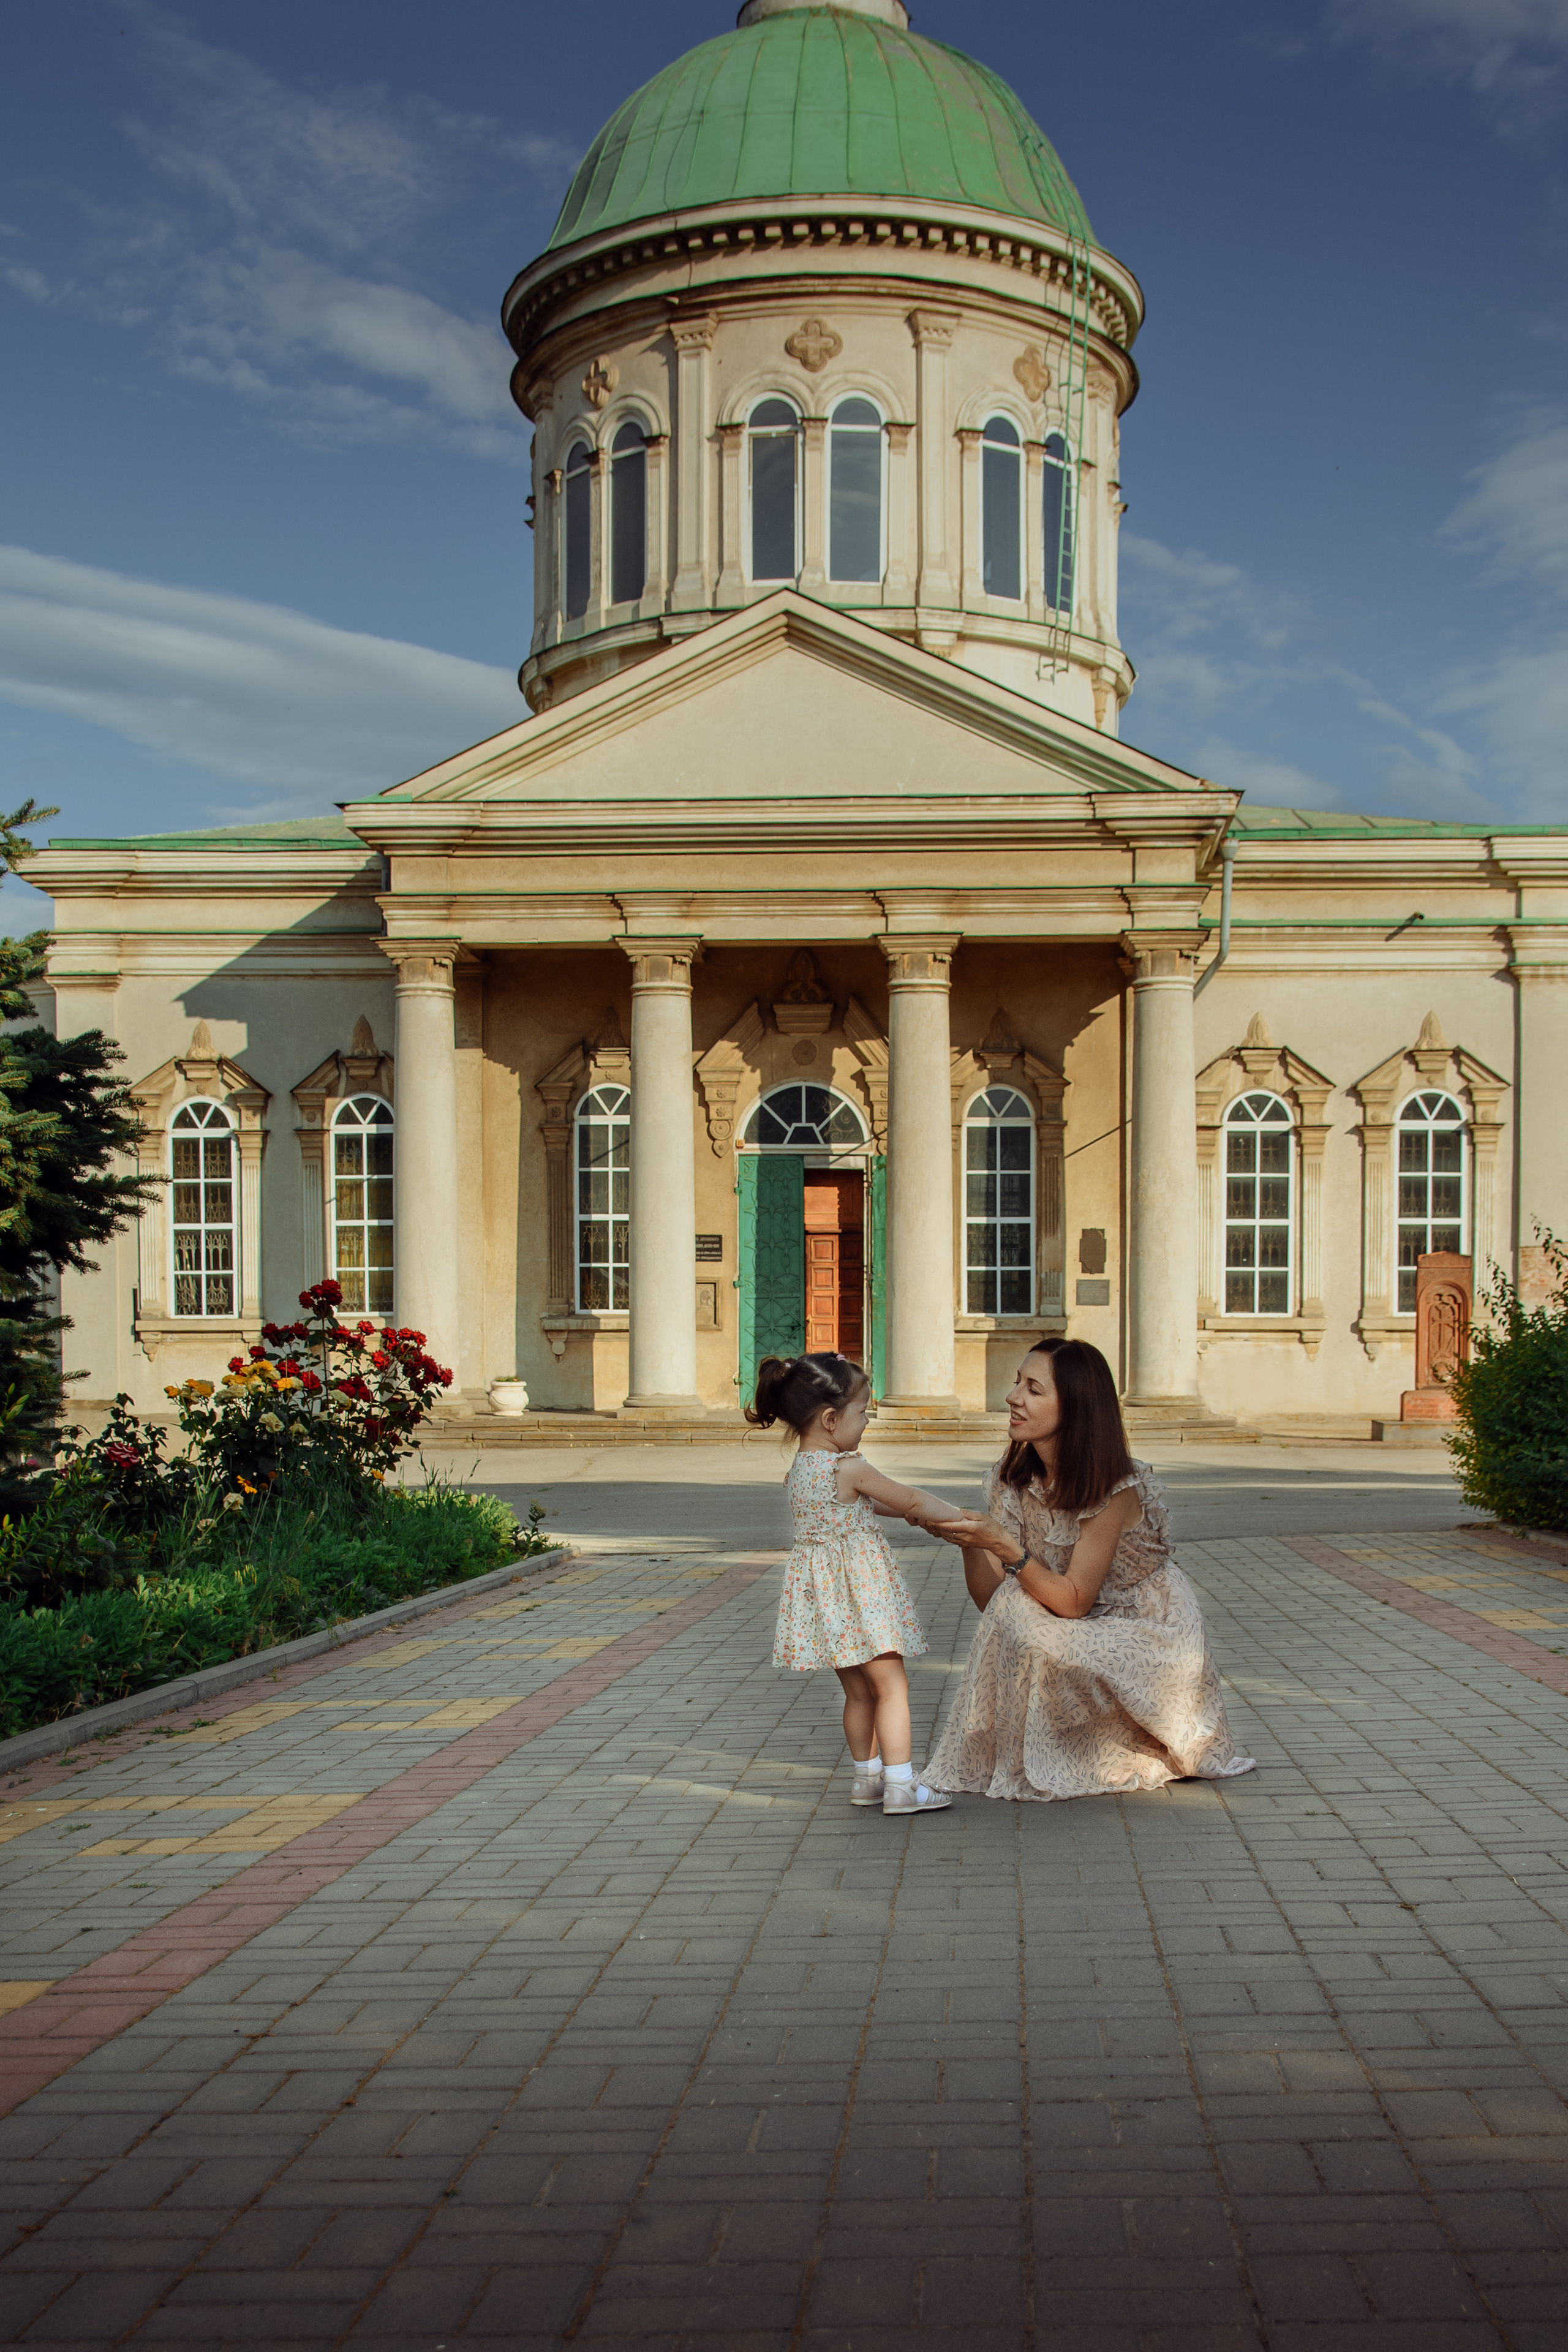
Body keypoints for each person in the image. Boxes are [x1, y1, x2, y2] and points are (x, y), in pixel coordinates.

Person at [918, 1338, 1254, 1802]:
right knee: (1014, 1606)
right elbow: (992, 1604)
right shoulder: (1012, 1479)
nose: (1013, 1398)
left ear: (1075, 1406)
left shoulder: (1114, 1486)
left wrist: (1004, 1545)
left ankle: (1122, 1743)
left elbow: (1074, 1601)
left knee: (1026, 1610)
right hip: (1071, 1611)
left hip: (1142, 1625)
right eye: (1018, 1383)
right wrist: (972, 1544)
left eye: (1034, 1389)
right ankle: (1063, 1746)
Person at [748, 1351, 957, 1816]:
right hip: (862, 1594)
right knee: (893, 1688)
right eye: (863, 1412)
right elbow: (909, 1497)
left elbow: (867, 1505)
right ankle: (902, 1785)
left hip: (827, 1603)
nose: (867, 1422)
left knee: (859, 1692)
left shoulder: (800, 1471)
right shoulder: (850, 1467)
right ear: (830, 1418)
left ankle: (867, 1778)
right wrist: (961, 1520)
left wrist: (909, 1514)